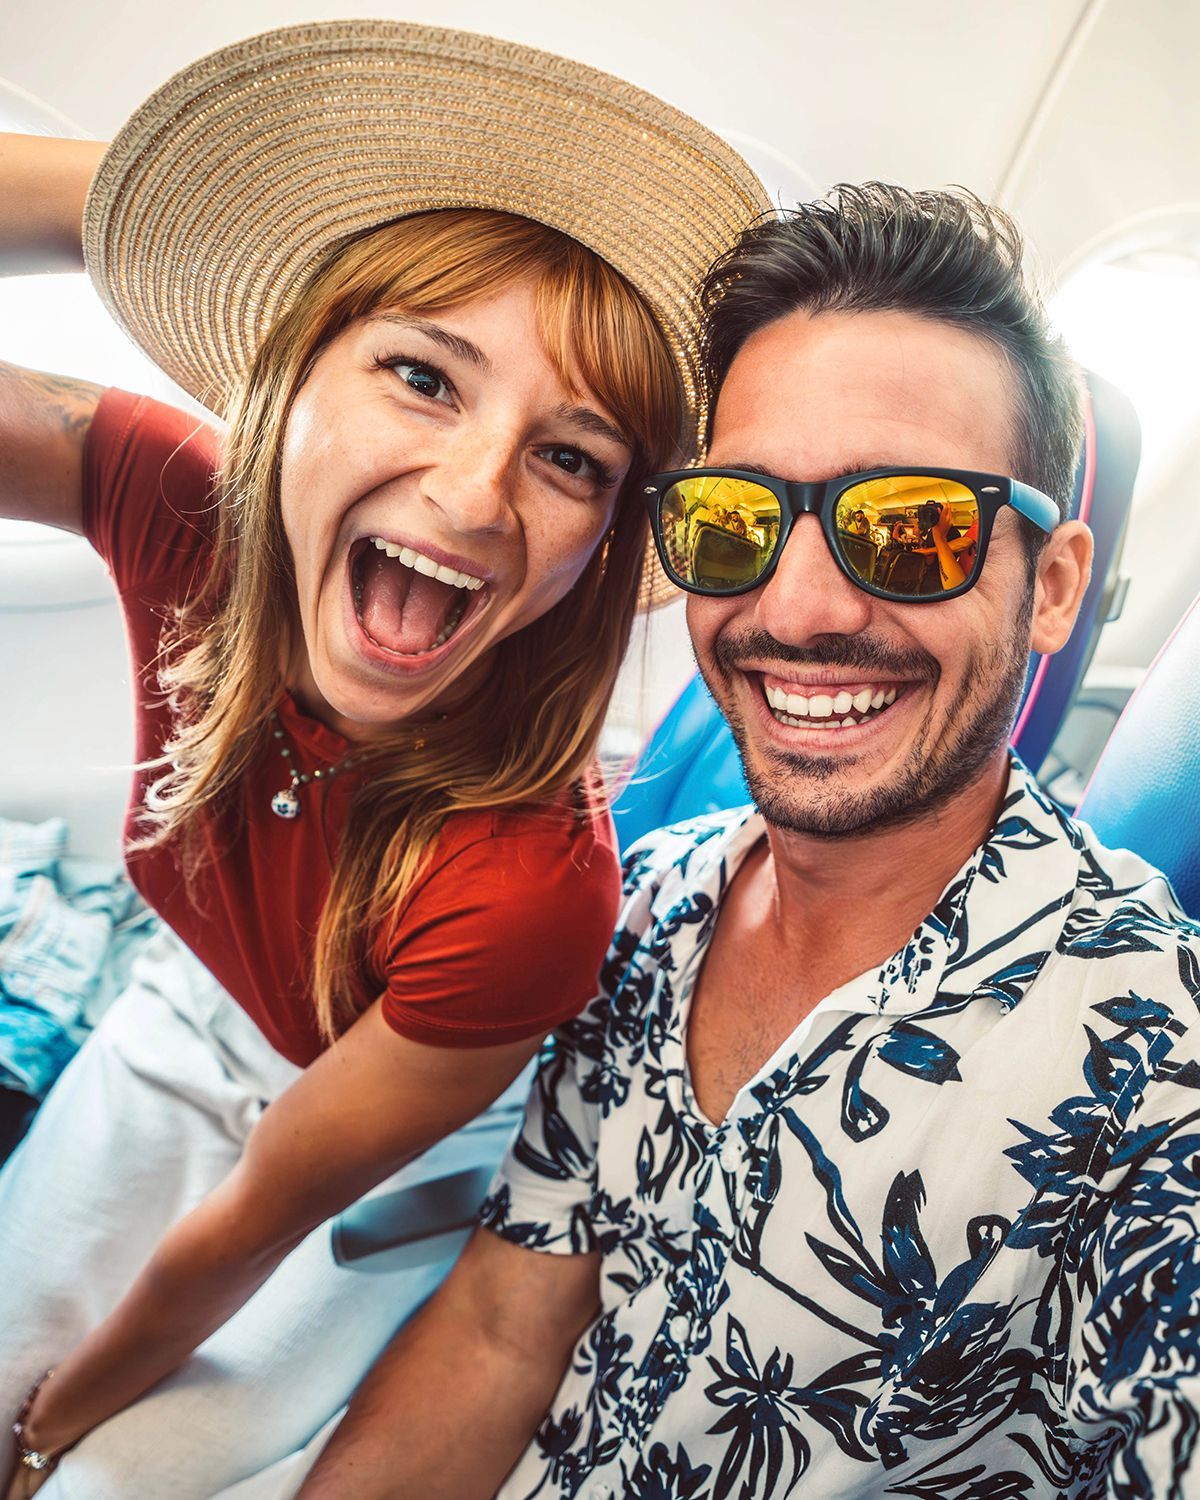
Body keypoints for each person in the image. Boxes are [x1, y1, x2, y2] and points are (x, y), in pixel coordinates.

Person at [296, 184, 1200, 1499]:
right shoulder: (653, 903)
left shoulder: (1154, 1077)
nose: (802, 607)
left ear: (1051, 587)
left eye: (912, 528)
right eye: (737, 521)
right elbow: (502, 1333)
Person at [0, 20, 768, 1499]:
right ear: (292, 380)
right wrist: (162, 192)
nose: (476, 491)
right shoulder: (180, 504)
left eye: (572, 458)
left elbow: (248, 1226)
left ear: (603, 543)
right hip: (184, 1014)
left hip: (395, 1139)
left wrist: (43, 1439)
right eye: (423, 375)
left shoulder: (535, 889)